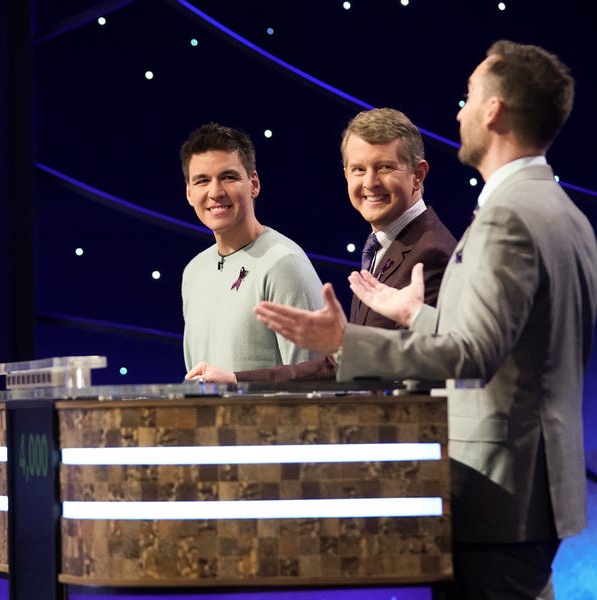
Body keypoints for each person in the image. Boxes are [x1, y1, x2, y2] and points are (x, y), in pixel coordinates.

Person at [253, 41, 597, 599]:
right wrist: (416, 313)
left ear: (494, 112)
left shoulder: (508, 216)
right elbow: (511, 343)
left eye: (468, 99)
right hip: (529, 492)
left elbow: (473, 356)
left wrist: (347, 340)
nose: (459, 112)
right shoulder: (562, 210)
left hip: (498, 495)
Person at [187, 108, 456, 383]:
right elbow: (337, 367)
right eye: (359, 169)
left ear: (418, 175)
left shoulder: (429, 253)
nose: (370, 182)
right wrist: (234, 379)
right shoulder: (385, 246)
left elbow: (419, 372)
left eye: (385, 167)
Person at [180, 122, 323, 373]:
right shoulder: (193, 272)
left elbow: (314, 380)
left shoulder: (284, 264)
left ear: (253, 184)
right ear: (189, 193)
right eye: (202, 181)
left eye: (228, 177)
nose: (215, 192)